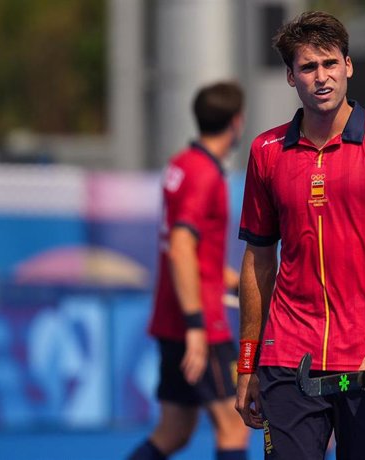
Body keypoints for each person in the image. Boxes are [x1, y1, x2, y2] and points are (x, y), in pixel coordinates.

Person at [234, 11, 365, 459]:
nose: (321, 77)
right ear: (291, 77)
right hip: (288, 362)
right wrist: (249, 363)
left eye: (329, 64)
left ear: (349, 65)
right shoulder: (265, 152)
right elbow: (258, 262)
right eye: (308, 67)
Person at [129, 82, 249, 460]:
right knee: (234, 425)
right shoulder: (205, 174)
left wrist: (240, 282)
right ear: (237, 122)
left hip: (171, 317)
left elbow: (196, 255)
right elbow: (181, 248)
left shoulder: (181, 163)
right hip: (200, 325)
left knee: (175, 431)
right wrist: (197, 325)